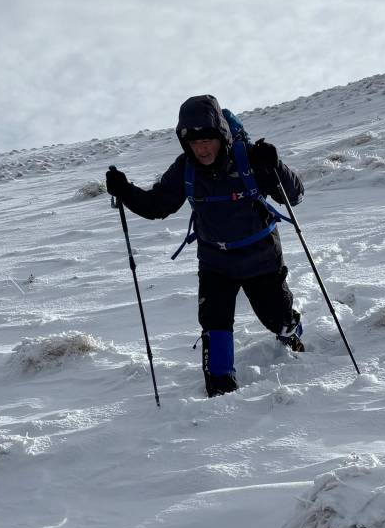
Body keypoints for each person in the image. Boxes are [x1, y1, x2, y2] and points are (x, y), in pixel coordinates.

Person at [105, 95, 306, 397]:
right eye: (194, 142)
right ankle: (220, 388)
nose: (201, 148)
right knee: (215, 323)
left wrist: (275, 165)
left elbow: (295, 195)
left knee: (277, 319)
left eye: (207, 140)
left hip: (261, 257)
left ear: (221, 136)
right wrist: (126, 191)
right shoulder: (185, 168)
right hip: (215, 263)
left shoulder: (250, 157)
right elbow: (157, 205)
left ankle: (290, 331)